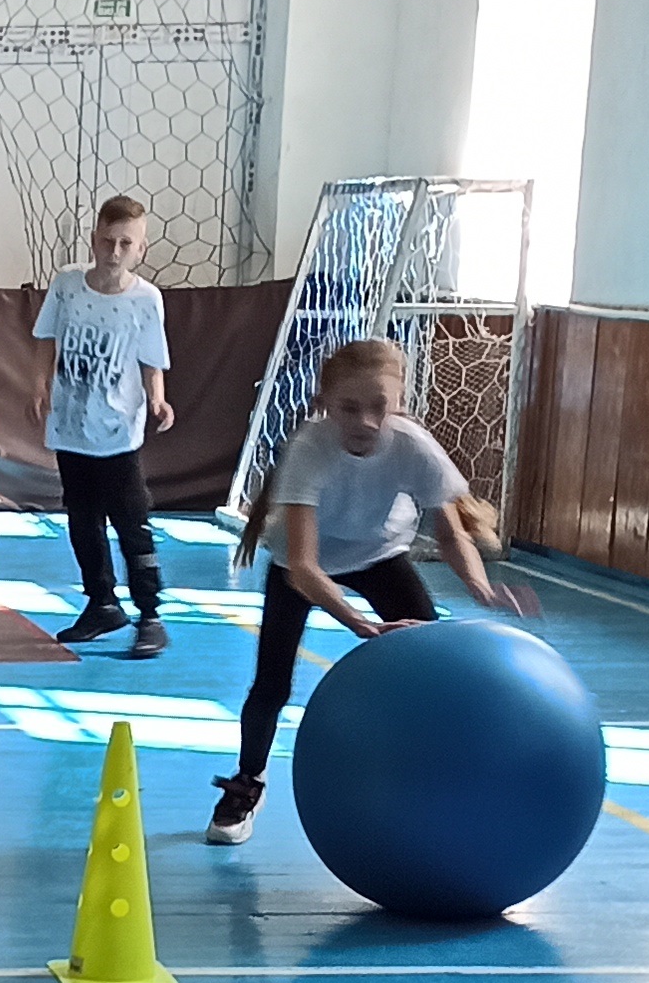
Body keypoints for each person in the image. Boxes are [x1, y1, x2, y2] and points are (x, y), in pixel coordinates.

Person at [206, 339, 535, 845]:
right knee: (271, 685)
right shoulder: (310, 450)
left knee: (434, 671)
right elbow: (305, 567)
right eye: (349, 408)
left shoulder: (413, 446)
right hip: (300, 564)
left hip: (380, 556)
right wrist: (361, 625)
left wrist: (480, 587)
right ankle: (247, 782)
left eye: (379, 406)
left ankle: (439, 776)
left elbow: (452, 534)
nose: (365, 421)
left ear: (399, 401)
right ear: (324, 404)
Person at [33, 193, 176, 653]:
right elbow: (46, 337)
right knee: (82, 520)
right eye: (107, 241)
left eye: (125, 244)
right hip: (72, 426)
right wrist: (40, 384)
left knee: (132, 522)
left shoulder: (145, 300)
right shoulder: (67, 285)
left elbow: (152, 358)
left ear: (140, 250)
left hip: (117, 432)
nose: (114, 252)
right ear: (94, 240)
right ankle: (101, 602)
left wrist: (157, 398)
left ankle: (149, 613)